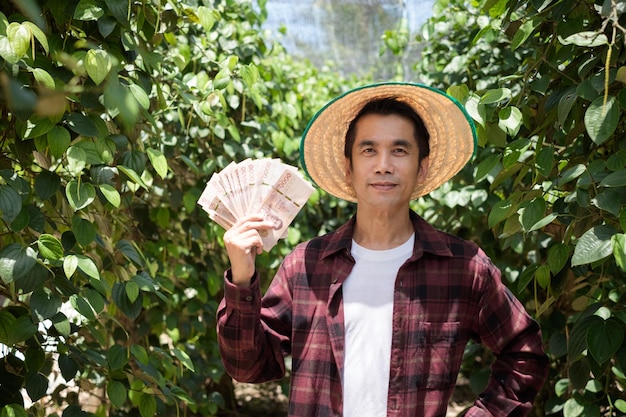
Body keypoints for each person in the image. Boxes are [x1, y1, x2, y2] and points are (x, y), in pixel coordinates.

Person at [217, 82, 549, 417]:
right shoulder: (306, 266)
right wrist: (242, 279)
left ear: (422, 167)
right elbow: (248, 368)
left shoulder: (463, 267)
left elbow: (524, 353)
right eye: (369, 150)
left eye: (400, 151)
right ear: (349, 167)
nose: (383, 165)